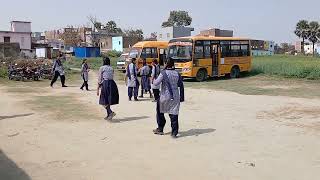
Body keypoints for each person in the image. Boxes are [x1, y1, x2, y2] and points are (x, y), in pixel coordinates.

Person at [153, 58, 184, 138]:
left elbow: (156, 83)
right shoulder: (177, 73)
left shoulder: (163, 73)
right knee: (174, 114)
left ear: (166, 63)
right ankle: (174, 133)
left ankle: (160, 128)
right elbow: (180, 84)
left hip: (165, 96)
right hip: (175, 96)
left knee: (160, 112)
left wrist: (153, 79)